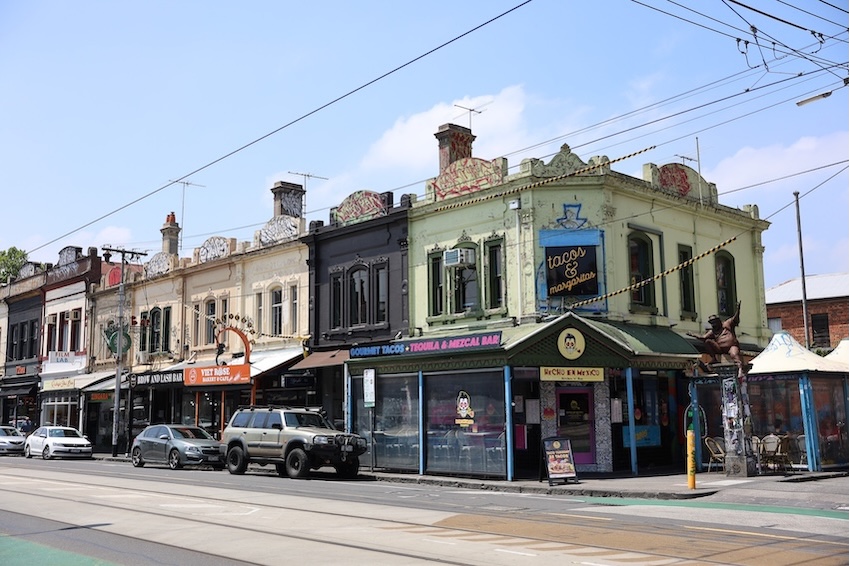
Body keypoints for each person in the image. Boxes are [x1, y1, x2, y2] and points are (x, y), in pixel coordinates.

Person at [688, 301, 744, 377]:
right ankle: (714, 358)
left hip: (731, 346)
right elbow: (703, 337)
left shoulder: (727, 324)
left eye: (714, 322)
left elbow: (735, 319)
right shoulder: (713, 331)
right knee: (707, 341)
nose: (713, 325)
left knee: (734, 354)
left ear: (719, 321)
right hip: (720, 349)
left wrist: (738, 310)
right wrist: (693, 334)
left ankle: (740, 369)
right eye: (712, 323)